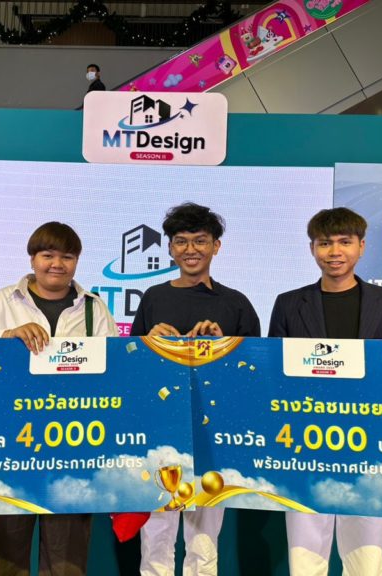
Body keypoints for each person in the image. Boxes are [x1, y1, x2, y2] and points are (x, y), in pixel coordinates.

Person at [0, 221, 118, 576]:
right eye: (48, 255)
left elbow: (115, 375)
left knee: (66, 560)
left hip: (73, 447)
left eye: (67, 257)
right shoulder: (3, 302)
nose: (57, 264)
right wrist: (6, 334)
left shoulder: (95, 309)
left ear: (77, 262)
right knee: (2, 557)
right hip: (8, 446)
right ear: (32, 259)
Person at [268, 207, 382, 576]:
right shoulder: (288, 303)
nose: (334, 252)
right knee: (305, 554)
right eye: (324, 243)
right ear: (312, 248)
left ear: (362, 246)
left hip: (370, 440)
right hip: (304, 439)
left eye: (344, 242)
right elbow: (273, 372)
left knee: (368, 554)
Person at [131, 202, 260, 576]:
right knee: (156, 538)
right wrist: (149, 342)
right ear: (170, 248)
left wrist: (224, 346)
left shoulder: (236, 303)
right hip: (160, 431)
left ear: (216, 246)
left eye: (200, 240)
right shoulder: (153, 297)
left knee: (204, 542)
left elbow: (253, 374)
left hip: (213, 434)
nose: (191, 249)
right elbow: (132, 368)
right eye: (181, 241)